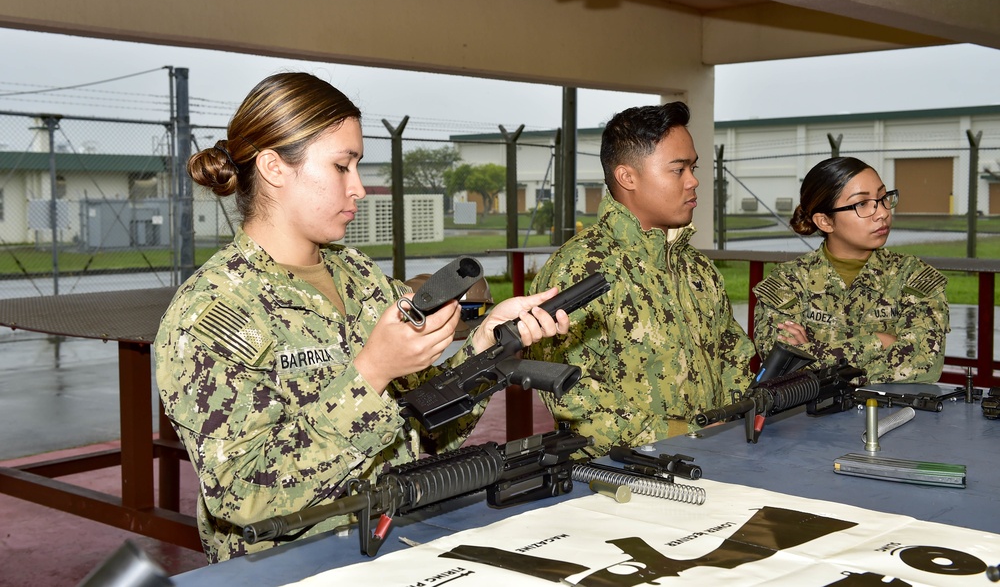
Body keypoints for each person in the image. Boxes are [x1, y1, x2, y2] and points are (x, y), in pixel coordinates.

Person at [153, 72, 569, 562]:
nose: (359, 188)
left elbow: (428, 427)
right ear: (273, 168)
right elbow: (241, 494)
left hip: (401, 544)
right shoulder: (212, 311)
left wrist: (487, 345)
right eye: (341, 166)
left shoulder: (359, 276)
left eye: (358, 166)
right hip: (295, 568)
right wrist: (371, 372)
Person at [526, 102, 755, 458]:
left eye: (693, 167)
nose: (694, 180)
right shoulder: (581, 269)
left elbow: (734, 353)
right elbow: (573, 399)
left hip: (714, 461)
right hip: (620, 478)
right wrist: (689, 434)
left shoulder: (696, 268)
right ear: (627, 177)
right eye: (678, 170)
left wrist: (730, 420)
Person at [752, 156, 949, 383]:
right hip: (811, 419)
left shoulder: (912, 277)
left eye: (883, 197)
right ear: (825, 221)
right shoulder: (788, 283)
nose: (883, 212)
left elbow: (925, 364)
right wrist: (880, 341)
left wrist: (814, 355)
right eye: (862, 204)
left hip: (894, 416)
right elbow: (782, 369)